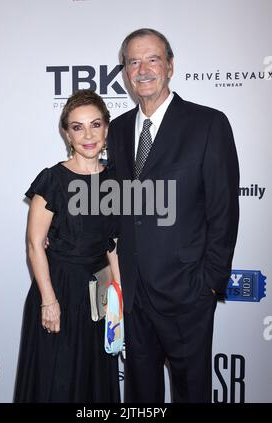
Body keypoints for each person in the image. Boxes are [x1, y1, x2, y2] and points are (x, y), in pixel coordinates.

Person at [107, 28, 240, 403]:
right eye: (133, 61)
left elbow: (223, 210)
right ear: (125, 72)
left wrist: (209, 284)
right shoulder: (116, 131)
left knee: (190, 393)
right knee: (139, 395)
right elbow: (112, 205)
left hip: (187, 292)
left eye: (152, 59)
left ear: (170, 66)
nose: (143, 69)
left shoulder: (208, 124)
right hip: (133, 294)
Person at [14, 89, 120, 403]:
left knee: (93, 381)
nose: (88, 134)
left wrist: (119, 299)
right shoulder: (52, 179)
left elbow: (113, 244)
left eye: (95, 124)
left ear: (107, 129)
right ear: (67, 134)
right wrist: (48, 300)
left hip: (98, 297)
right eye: (77, 127)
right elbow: (34, 244)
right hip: (58, 289)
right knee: (56, 381)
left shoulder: (116, 180)